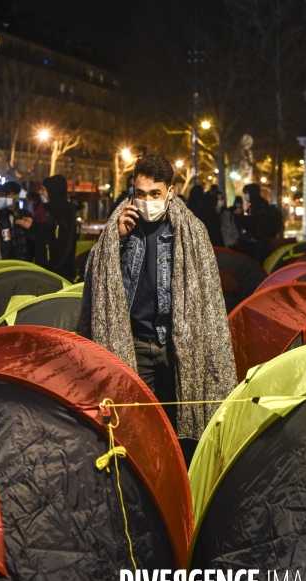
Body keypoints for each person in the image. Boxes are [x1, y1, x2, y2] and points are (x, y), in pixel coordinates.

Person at [79, 154, 237, 466]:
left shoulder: (192, 231)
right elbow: (94, 281)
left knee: (179, 435)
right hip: (133, 347)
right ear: (131, 192)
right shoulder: (119, 227)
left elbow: (208, 300)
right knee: (137, 433)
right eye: (140, 193)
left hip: (177, 349)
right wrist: (116, 241)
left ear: (170, 192)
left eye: (155, 193)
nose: (148, 201)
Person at [16, 175, 77, 281]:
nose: (40, 193)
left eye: (43, 189)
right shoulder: (53, 212)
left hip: (57, 277)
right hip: (49, 274)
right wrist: (33, 226)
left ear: (52, 191)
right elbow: (48, 236)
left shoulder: (63, 213)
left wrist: (49, 272)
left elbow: (63, 248)